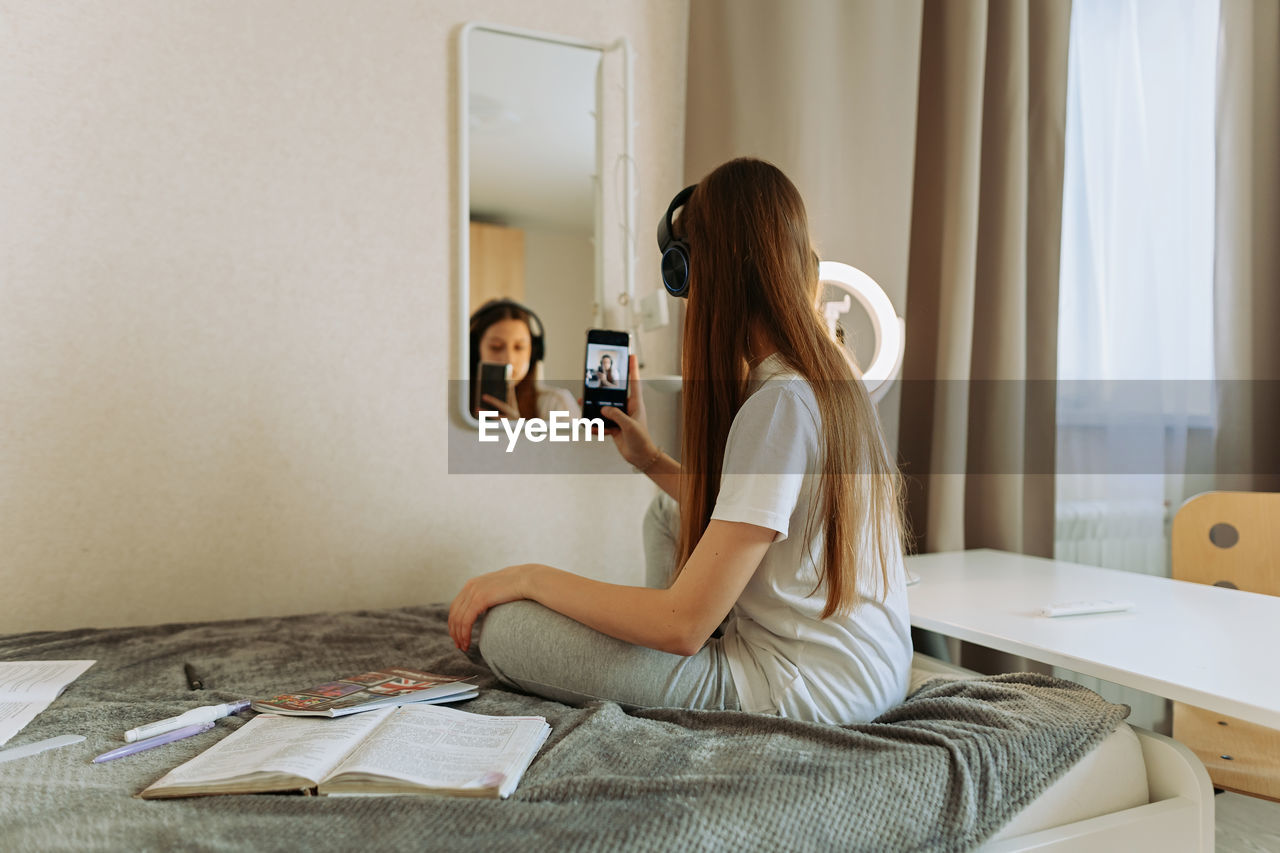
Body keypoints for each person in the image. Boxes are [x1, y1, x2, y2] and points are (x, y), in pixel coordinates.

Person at [449, 158, 912, 725]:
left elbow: (681, 625)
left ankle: (645, 670)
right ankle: (645, 660)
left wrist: (528, 576)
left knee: (504, 629)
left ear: (695, 272)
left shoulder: (779, 404)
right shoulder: (828, 380)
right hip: (871, 671)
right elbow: (758, 514)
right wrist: (649, 459)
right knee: (666, 513)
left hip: (801, 689)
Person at [469, 299, 579, 420]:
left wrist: (515, 429)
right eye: (496, 347)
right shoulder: (453, 403)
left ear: (533, 352)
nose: (508, 359)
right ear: (474, 350)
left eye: (519, 347)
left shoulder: (556, 404)